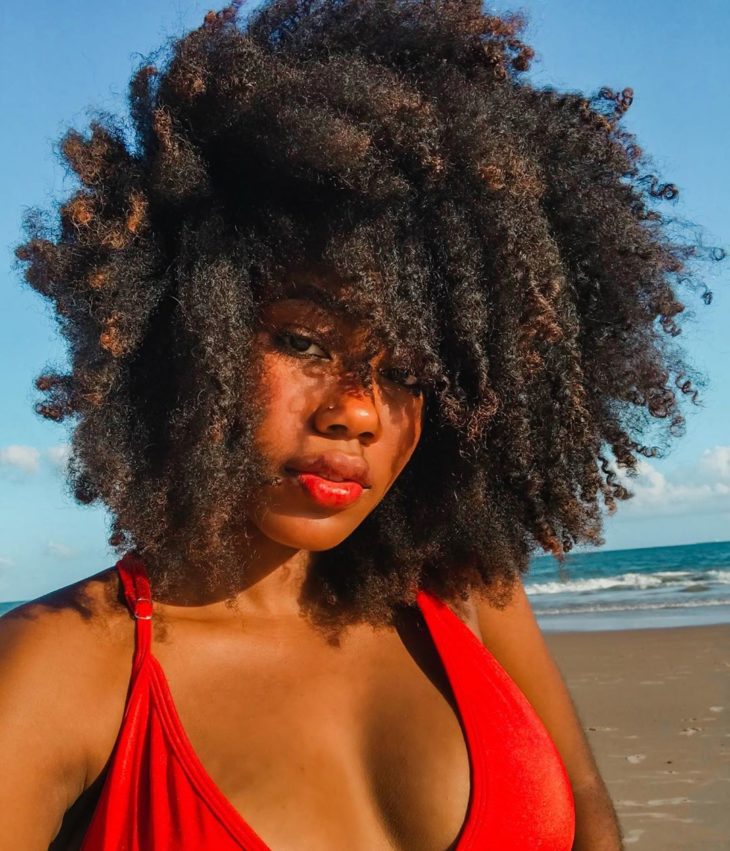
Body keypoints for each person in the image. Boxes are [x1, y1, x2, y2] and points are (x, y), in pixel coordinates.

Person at [2, 0, 716, 848]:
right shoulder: (60, 670)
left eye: (408, 373)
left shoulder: (466, 593)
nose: (360, 411)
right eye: (303, 341)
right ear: (183, 331)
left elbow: (589, 816)